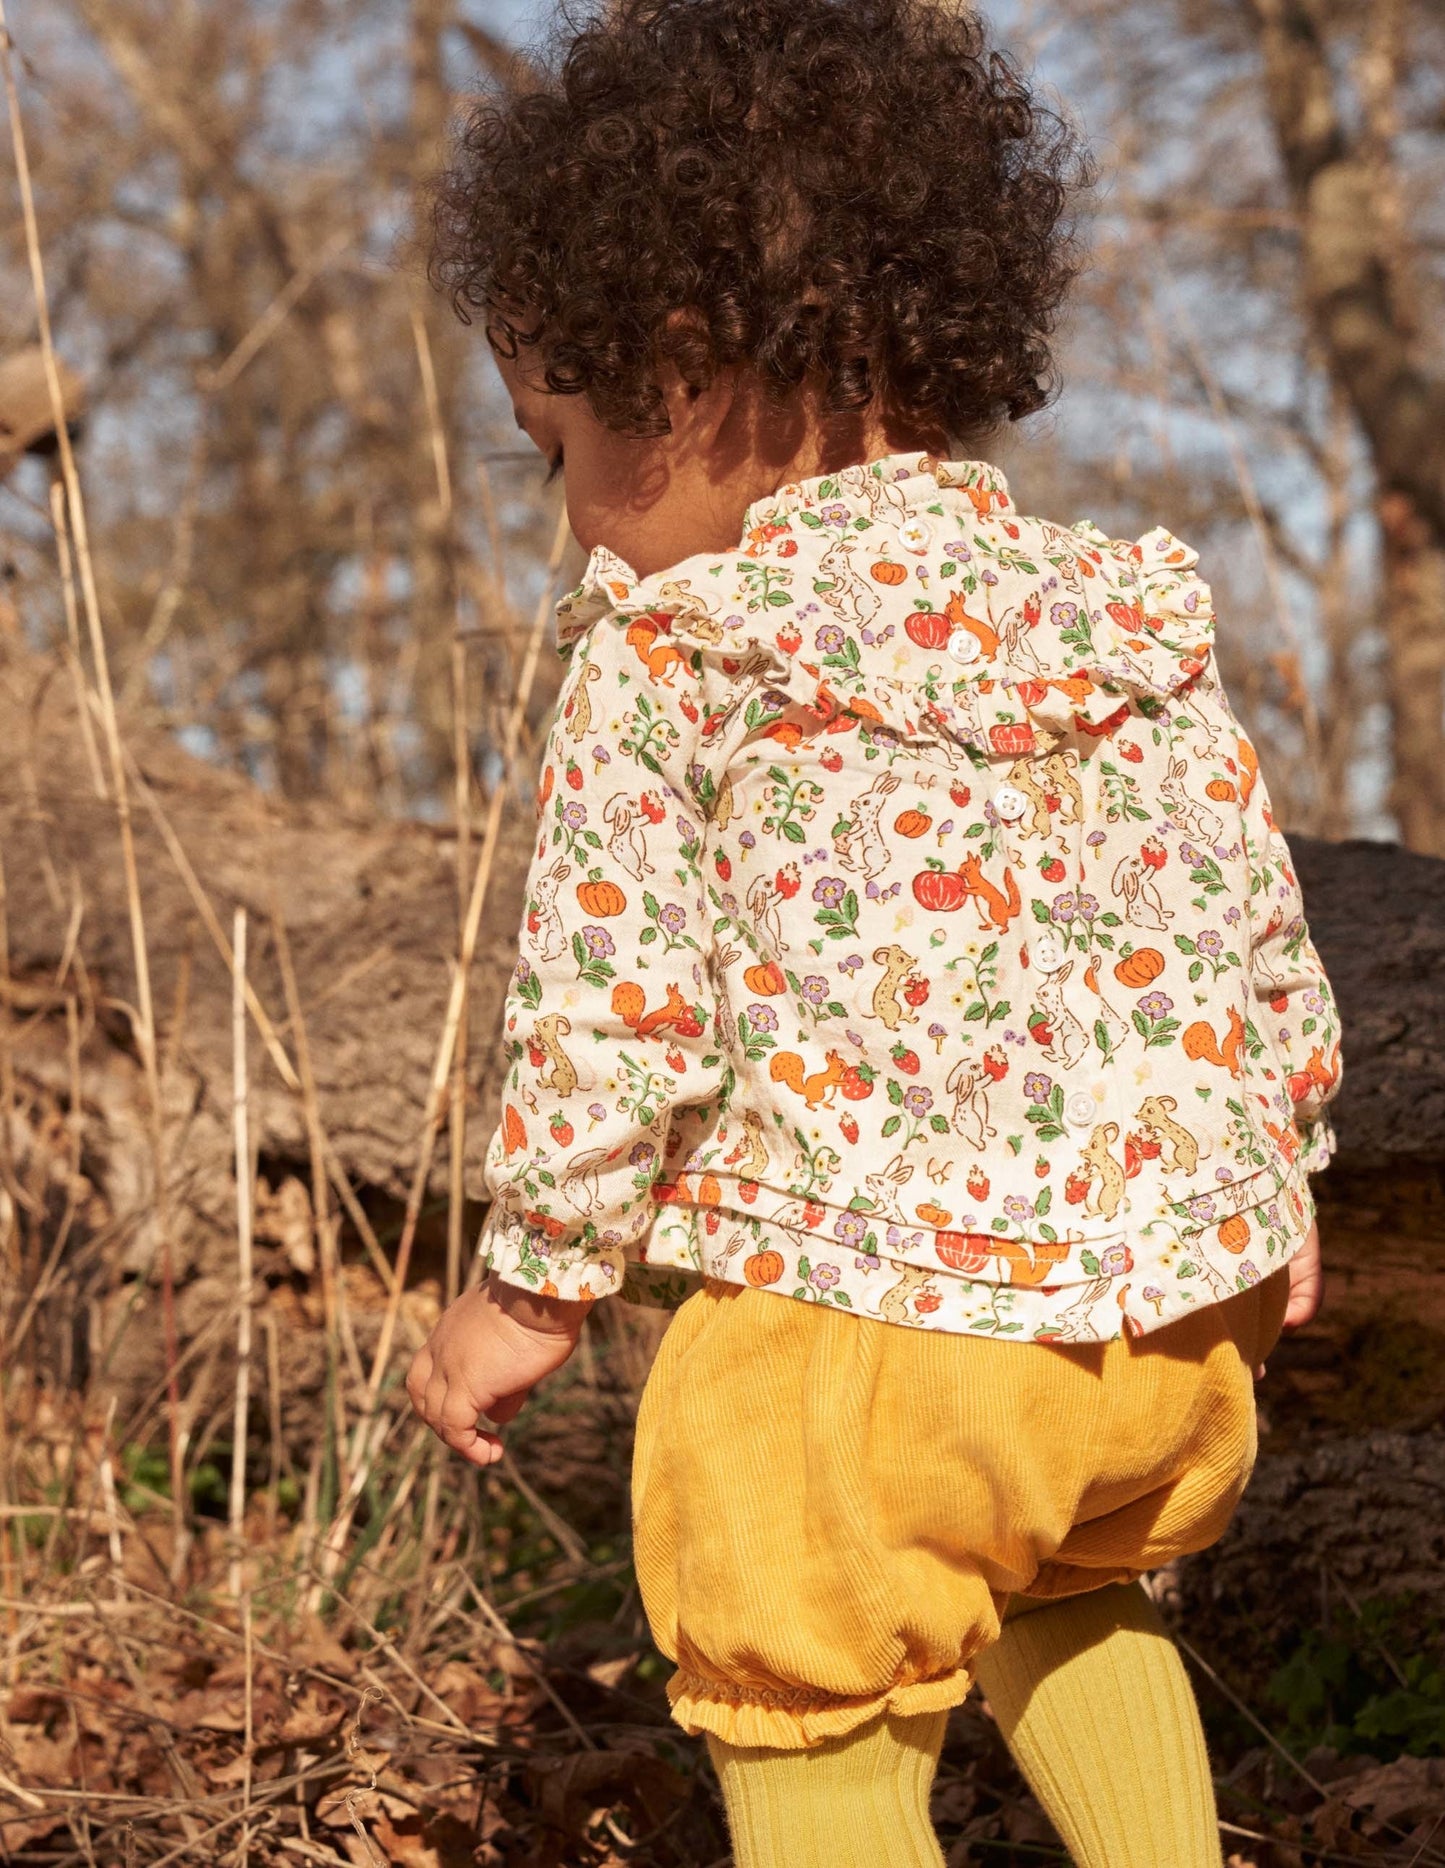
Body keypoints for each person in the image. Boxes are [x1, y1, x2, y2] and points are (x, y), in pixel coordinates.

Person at [405, 0, 1344, 1860]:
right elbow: (1246, 908)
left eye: (555, 444)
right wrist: (1280, 1166)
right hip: (1152, 1333)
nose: (572, 522)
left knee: (804, 1680)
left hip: (868, 1330)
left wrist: (526, 1290)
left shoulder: (682, 646)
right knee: (1063, 1596)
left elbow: (613, 1017)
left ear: (677, 375)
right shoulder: (1107, 610)